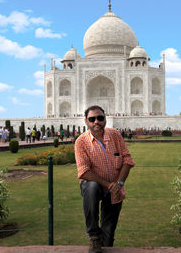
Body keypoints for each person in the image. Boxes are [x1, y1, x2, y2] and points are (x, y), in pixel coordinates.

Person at [75, 105, 135, 253]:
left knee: (108, 236)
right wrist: (109, 185)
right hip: (95, 187)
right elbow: (84, 171)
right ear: (86, 121)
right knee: (92, 187)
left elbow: (127, 160)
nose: (96, 121)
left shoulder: (114, 135)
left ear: (105, 119)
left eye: (100, 118)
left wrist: (119, 184)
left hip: (114, 188)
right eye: (92, 119)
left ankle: (104, 244)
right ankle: (94, 236)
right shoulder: (81, 142)